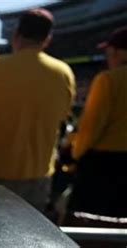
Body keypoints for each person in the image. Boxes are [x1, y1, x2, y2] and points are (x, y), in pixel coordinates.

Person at [0, 8, 75, 210]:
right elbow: (63, 114)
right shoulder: (63, 72)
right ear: (47, 39)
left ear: (16, 35)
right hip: (37, 173)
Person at [69, 26, 127, 218]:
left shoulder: (109, 79)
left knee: (94, 228)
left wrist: (75, 153)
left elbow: (91, 128)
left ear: (116, 51)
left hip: (105, 167)